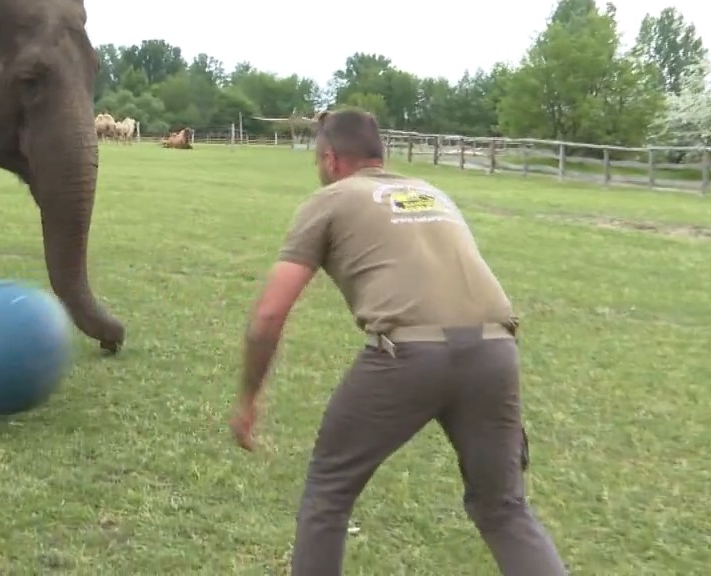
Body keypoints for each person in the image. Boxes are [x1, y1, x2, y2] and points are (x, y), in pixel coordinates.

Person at [228, 108, 567, 576]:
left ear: (330, 159)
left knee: (328, 492)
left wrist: (248, 398)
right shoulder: (432, 193)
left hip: (408, 354)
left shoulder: (330, 200)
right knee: (504, 508)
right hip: (495, 350)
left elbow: (268, 315)